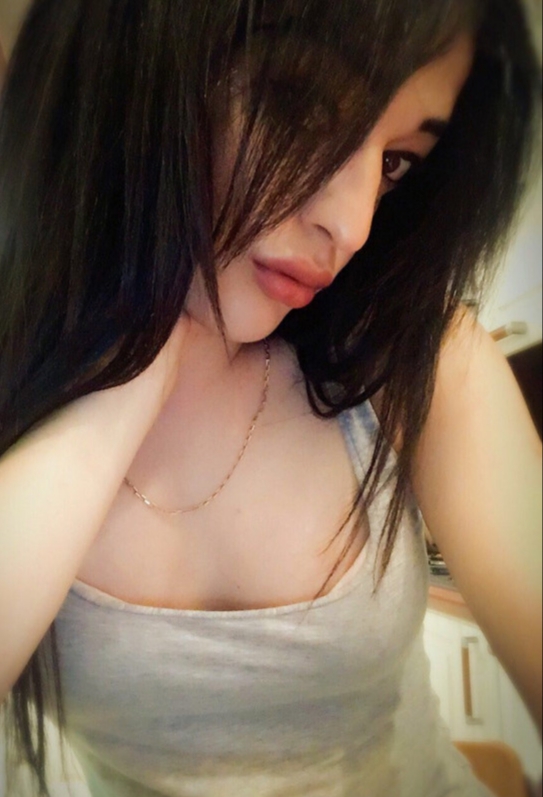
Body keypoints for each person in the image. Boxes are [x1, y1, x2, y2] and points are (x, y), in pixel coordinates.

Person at [0, 1, 541, 795]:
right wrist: (131, 370)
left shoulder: (418, 361)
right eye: (299, 108)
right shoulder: (20, 383)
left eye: (396, 162)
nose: (352, 225)